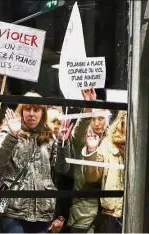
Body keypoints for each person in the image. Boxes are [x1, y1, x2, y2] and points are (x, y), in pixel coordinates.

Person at [0, 91, 73, 233]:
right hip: (13, 210)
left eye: (36, 109)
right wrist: (13, 135)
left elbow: (62, 168)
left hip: (43, 210)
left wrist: (63, 143)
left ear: (43, 112)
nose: (31, 114)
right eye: (27, 109)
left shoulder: (49, 137)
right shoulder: (9, 130)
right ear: (21, 111)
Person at [66, 89, 112, 233]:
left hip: (108, 209)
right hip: (84, 211)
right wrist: (87, 109)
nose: (97, 123)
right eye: (93, 118)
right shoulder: (82, 140)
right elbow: (78, 131)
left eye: (101, 118)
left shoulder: (111, 140)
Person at [83, 111, 126, 233]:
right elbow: (92, 177)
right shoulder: (107, 142)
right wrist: (91, 151)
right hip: (112, 212)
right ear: (121, 120)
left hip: (138, 210)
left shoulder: (140, 145)